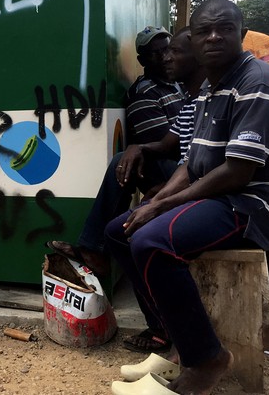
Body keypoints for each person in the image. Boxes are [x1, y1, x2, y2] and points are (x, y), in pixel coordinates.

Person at [104, 0, 269, 394]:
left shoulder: (256, 82)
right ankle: (177, 341)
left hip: (259, 204)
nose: (213, 37)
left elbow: (237, 171)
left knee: (152, 242)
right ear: (192, 40)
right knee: (118, 231)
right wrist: (153, 204)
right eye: (203, 31)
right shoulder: (212, 88)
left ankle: (205, 359)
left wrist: (159, 206)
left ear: (241, 34)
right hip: (227, 198)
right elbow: (191, 163)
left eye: (224, 29)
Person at [49, 28, 205, 352]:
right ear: (142, 60)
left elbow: (197, 157)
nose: (167, 57)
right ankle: (96, 248)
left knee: (130, 232)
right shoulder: (148, 92)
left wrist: (166, 193)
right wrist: (145, 157)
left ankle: (95, 248)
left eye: (172, 51)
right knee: (124, 198)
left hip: (199, 179)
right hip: (177, 169)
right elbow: (169, 146)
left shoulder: (196, 93)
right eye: (160, 52)